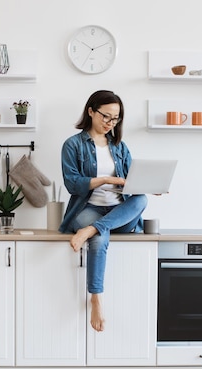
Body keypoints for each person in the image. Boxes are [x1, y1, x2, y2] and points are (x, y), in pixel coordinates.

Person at [59, 90, 148, 332]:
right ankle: (96, 298)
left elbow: (131, 180)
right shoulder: (73, 145)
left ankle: (90, 229)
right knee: (99, 240)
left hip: (118, 211)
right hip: (88, 208)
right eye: (105, 116)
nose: (110, 123)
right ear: (90, 111)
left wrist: (148, 184)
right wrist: (105, 180)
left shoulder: (119, 146)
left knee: (141, 199)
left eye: (115, 119)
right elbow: (72, 183)